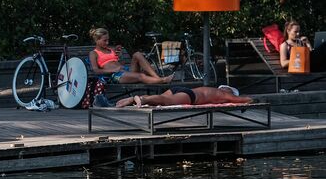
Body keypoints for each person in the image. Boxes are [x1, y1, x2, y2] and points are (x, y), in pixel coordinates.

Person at [88, 28, 174, 84]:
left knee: (137, 54)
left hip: (126, 70)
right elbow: (96, 70)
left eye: (108, 40)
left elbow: (121, 63)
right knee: (141, 76)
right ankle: (162, 80)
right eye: (104, 40)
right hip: (115, 75)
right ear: (97, 40)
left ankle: (158, 79)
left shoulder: (111, 50)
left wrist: (120, 56)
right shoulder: (94, 53)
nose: (107, 43)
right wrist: (113, 70)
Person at [104, 85, 253, 108]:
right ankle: (141, 99)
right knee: (165, 101)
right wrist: (251, 100)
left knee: (160, 99)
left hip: (181, 89)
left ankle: (134, 99)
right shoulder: (224, 94)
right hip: (190, 96)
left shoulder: (218, 90)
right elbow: (243, 100)